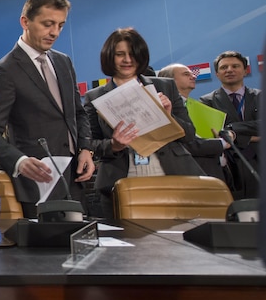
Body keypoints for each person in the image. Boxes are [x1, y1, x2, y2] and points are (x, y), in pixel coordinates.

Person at [0, 0, 95, 218]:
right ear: (25, 22)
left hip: (74, 181)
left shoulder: (64, 62)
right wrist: (20, 161)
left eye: (60, 25)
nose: (55, 32)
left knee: (81, 250)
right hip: (36, 185)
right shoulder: (5, 70)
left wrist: (86, 149)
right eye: (47, 24)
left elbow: (78, 114)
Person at [84, 28, 204, 218]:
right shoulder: (94, 97)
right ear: (109, 57)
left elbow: (189, 134)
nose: (127, 60)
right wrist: (114, 145)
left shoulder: (165, 86)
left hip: (170, 171)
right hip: (123, 174)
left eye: (133, 54)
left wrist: (169, 115)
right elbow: (91, 143)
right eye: (120, 54)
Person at [200, 51, 260, 199]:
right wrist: (251, 136)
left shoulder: (260, 96)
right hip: (229, 168)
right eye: (224, 67)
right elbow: (214, 134)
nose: (229, 70)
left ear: (245, 71)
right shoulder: (206, 102)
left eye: (235, 66)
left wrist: (232, 129)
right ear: (217, 74)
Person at [159, 63, 231, 183]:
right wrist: (221, 144)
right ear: (169, 80)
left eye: (192, 73)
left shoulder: (199, 107)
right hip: (188, 174)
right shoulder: (165, 108)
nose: (193, 76)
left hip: (215, 172)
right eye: (186, 74)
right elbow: (183, 143)